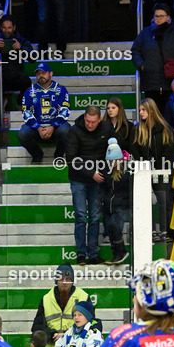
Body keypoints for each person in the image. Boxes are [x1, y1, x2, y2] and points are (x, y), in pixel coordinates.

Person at [67, 105, 112, 265]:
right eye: (87, 121)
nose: (90, 125)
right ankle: (81, 253)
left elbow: (111, 151)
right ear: (84, 117)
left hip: (98, 179)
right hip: (79, 179)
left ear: (99, 120)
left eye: (93, 122)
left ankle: (93, 254)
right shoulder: (74, 131)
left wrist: (105, 173)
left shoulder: (107, 128)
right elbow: (71, 158)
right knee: (80, 216)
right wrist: (91, 172)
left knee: (94, 217)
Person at [131, 97, 174, 243]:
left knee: (164, 201)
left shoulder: (164, 128)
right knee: (145, 202)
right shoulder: (137, 129)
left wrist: (155, 170)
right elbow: (135, 151)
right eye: (140, 110)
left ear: (151, 111)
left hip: (161, 171)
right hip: (143, 173)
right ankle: (149, 231)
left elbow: (168, 153)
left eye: (143, 110)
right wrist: (145, 170)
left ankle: (164, 231)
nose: (141, 113)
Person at [131, 4, 174, 109]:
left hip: (173, 83)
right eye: (156, 16)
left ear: (168, 17)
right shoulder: (145, 33)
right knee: (153, 116)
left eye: (161, 16)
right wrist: (142, 65)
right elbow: (135, 50)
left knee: (172, 115)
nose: (158, 19)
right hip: (151, 83)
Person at [18, 62, 71, 163]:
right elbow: (26, 112)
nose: (40, 76)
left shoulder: (61, 89)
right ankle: (37, 154)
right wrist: (38, 127)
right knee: (22, 133)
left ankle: (58, 155)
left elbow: (65, 110)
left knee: (67, 130)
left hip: (56, 129)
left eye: (43, 73)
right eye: (38, 74)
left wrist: (52, 126)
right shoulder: (29, 91)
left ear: (51, 73)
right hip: (36, 129)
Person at [31, 264, 90, 345]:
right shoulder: (46, 299)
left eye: (67, 279)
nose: (64, 282)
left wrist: (67, 335)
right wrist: (52, 334)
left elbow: (91, 325)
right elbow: (37, 327)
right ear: (56, 281)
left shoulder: (83, 297)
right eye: (61, 279)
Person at [102, 138, 131, 265]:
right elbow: (105, 189)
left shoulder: (127, 172)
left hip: (122, 205)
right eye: (110, 160)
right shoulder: (106, 171)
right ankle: (116, 254)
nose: (112, 162)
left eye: (114, 160)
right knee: (109, 227)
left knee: (115, 226)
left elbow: (130, 190)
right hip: (109, 205)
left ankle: (122, 252)